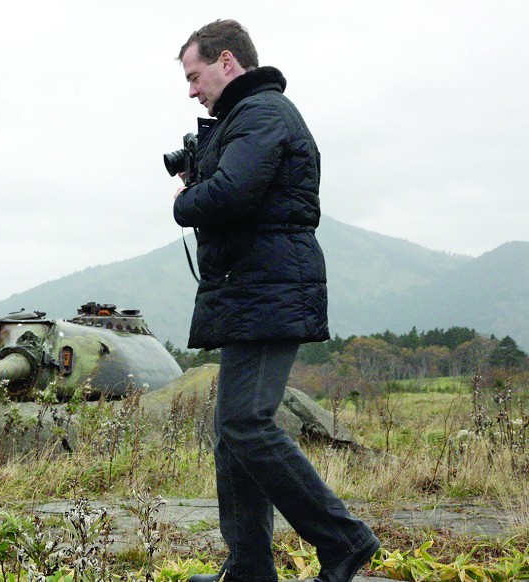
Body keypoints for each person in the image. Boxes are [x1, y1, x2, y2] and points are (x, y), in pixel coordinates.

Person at [171, 19, 380, 582]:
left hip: (270, 288)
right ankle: (248, 568)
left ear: (227, 62)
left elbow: (231, 193)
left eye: (194, 76)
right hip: (253, 288)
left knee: (247, 423)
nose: (191, 90)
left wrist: (185, 198)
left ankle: (345, 541)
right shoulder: (246, 117)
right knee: (232, 433)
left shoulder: (262, 114)